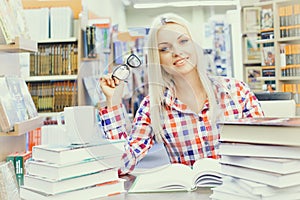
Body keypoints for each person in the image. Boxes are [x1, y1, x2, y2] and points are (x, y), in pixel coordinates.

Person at [98, 13, 264, 174]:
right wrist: (113, 102)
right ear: (158, 59)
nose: (176, 52)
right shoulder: (153, 107)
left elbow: (268, 150)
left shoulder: (236, 92)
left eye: (183, 41)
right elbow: (120, 165)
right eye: (164, 49)